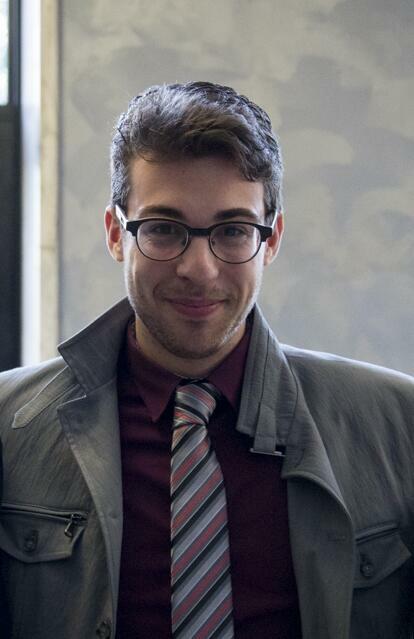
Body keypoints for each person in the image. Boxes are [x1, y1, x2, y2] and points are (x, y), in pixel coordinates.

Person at [0, 81, 413, 639]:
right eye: (164, 229)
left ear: (271, 240)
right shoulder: (9, 426)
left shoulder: (399, 426)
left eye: (233, 231)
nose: (199, 268)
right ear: (116, 234)